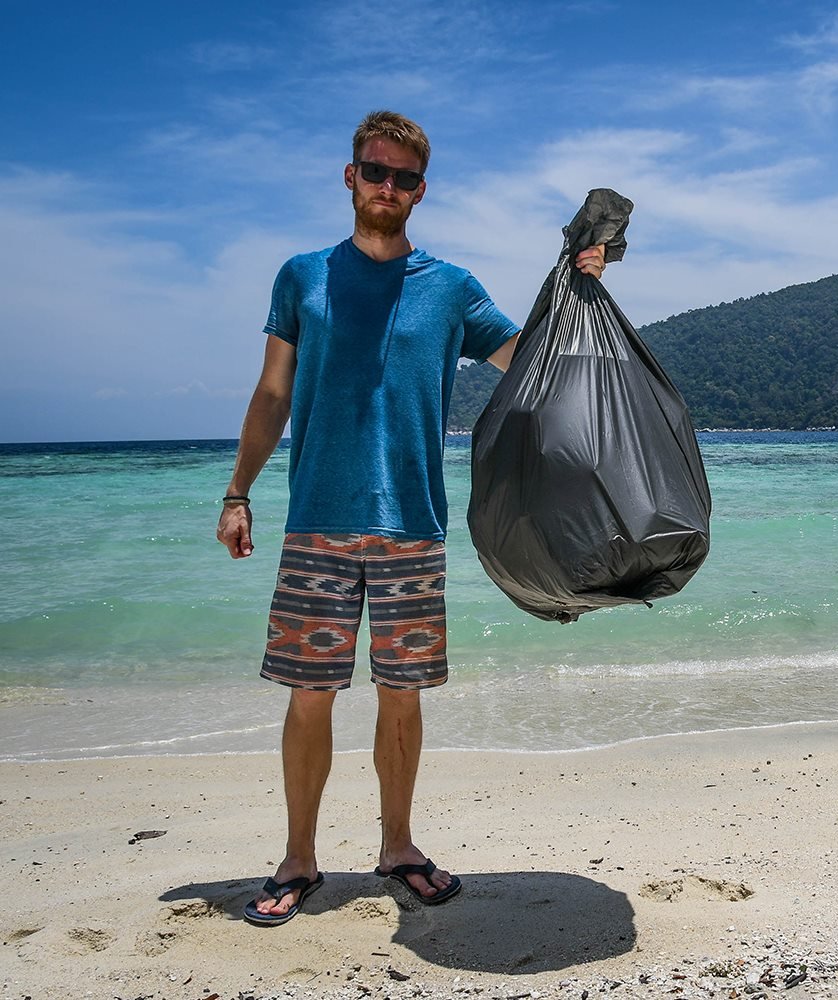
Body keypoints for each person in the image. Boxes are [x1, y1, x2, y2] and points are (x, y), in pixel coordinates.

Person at [217, 110, 606, 926]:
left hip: (413, 526)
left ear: (420, 190)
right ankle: (299, 858)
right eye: (374, 170)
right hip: (317, 521)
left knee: (403, 695)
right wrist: (237, 491)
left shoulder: (451, 288)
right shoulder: (303, 276)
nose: (386, 186)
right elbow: (273, 393)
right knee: (309, 695)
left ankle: (397, 847)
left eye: (402, 177)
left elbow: (528, 358)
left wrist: (582, 284)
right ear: (349, 175)